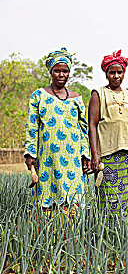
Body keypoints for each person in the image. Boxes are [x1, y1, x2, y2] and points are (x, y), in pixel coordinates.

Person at [24, 48, 90, 210]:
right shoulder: (38, 96)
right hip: (48, 156)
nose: (61, 74)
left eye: (65, 71)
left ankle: (72, 234)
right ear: (51, 72)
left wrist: (85, 154)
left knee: (73, 200)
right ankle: (48, 234)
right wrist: (30, 152)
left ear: (69, 73)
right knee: (48, 199)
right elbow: (32, 126)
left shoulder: (77, 98)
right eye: (57, 71)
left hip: (73, 158)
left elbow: (83, 129)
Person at [88, 50, 128, 219]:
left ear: (124, 73)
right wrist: (95, 154)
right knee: (109, 197)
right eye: (112, 72)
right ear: (106, 73)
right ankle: (109, 234)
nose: (116, 76)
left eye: (119, 72)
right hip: (108, 153)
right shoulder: (98, 94)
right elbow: (92, 124)